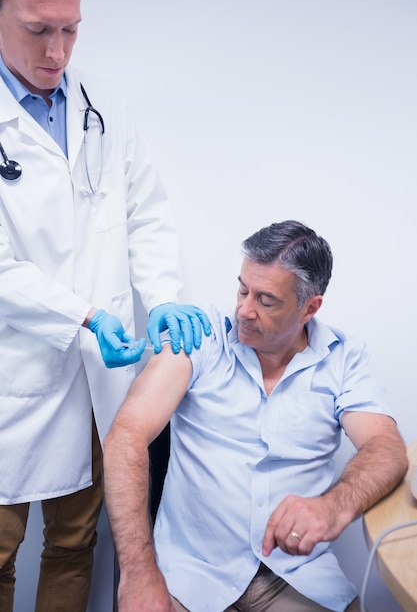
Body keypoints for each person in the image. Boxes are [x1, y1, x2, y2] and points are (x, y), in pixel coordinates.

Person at [0, 0, 211, 610]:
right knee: (0, 551)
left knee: (75, 542)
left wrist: (166, 295)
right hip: (14, 373)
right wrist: (84, 316)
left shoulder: (103, 105)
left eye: (71, 30)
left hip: (99, 378)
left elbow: (145, 213)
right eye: (40, 30)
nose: (57, 50)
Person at [104, 220, 408, 612]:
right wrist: (138, 573)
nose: (244, 310)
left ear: (309, 308)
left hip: (296, 580)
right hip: (188, 577)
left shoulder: (343, 359)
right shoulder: (203, 336)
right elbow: (125, 436)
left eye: (266, 300)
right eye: (242, 289)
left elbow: (386, 447)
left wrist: (334, 507)